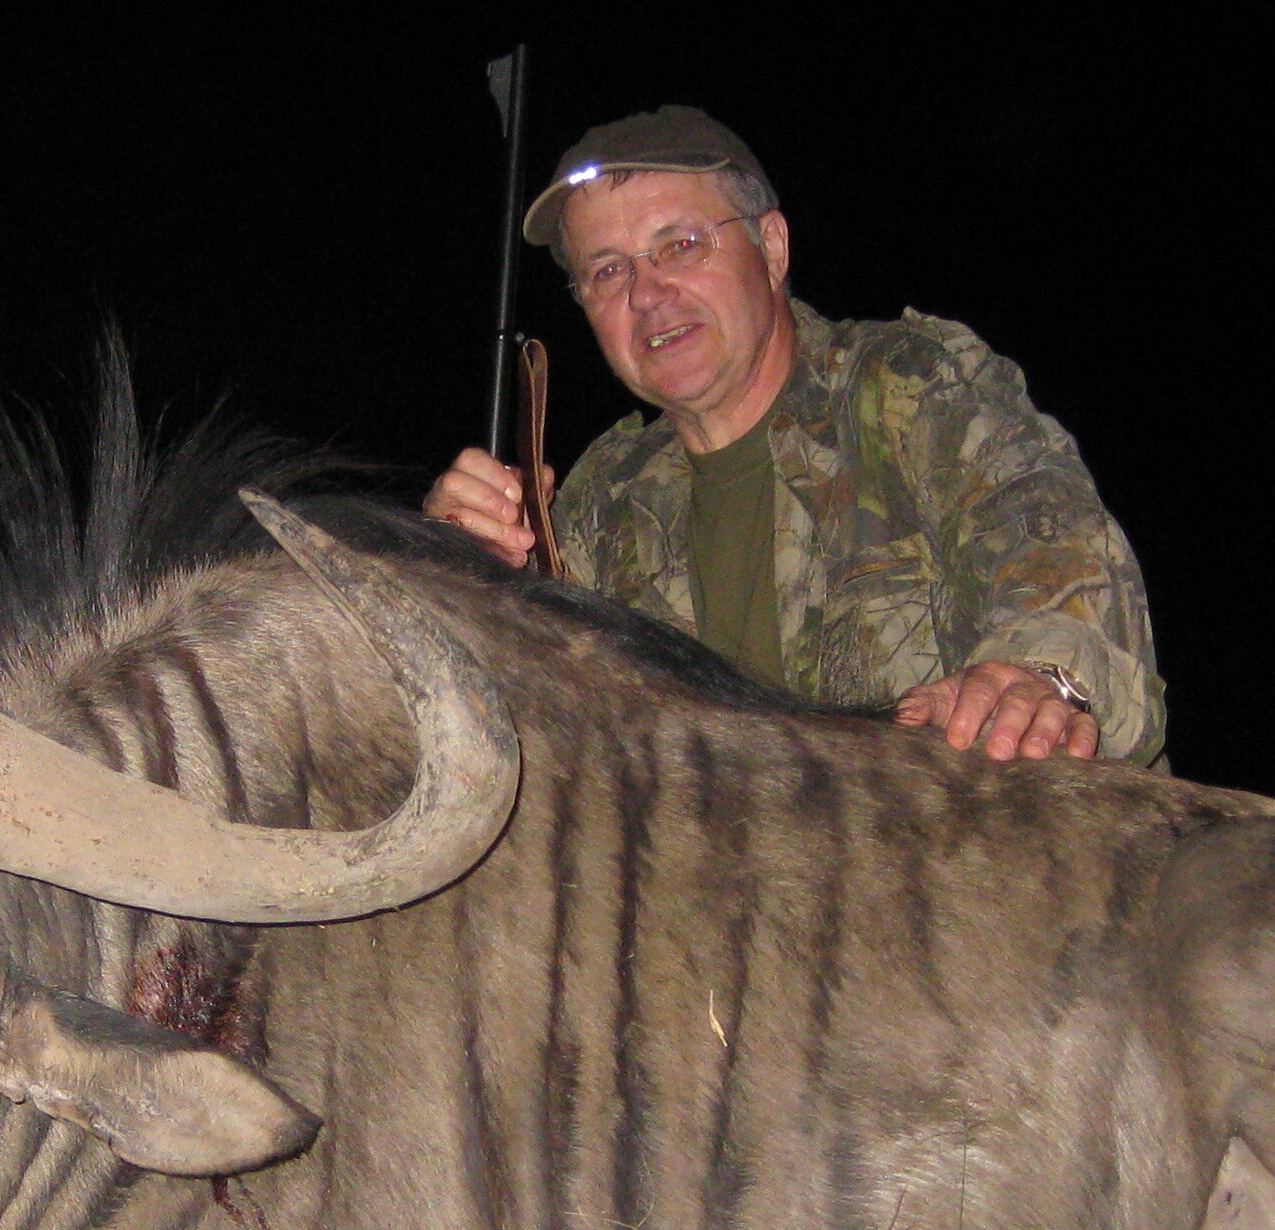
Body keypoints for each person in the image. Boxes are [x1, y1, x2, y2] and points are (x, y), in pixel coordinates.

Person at [424, 106, 1164, 764]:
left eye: (680, 245)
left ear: (771, 248)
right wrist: (447, 579)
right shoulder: (595, 504)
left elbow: (1053, 547)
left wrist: (1039, 678)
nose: (646, 294)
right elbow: (517, 741)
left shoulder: (910, 389)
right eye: (607, 270)